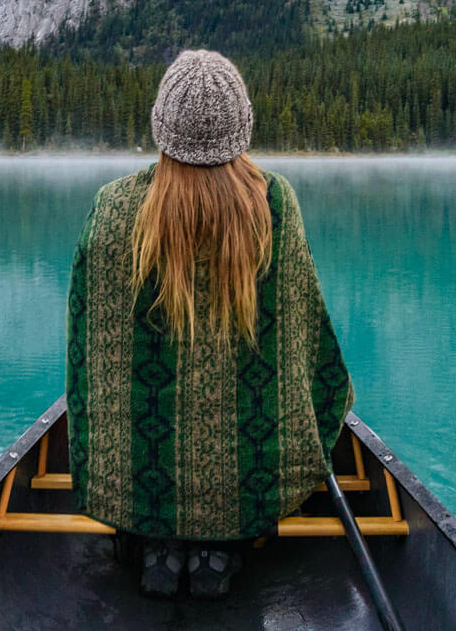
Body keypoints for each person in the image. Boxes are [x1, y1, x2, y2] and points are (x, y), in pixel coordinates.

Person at [64, 49, 354, 599]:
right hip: (248, 488)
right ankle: (219, 548)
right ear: (242, 128)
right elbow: (307, 338)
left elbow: (86, 356)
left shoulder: (112, 207)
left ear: (160, 127)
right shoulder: (276, 204)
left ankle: (157, 542)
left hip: (131, 488)